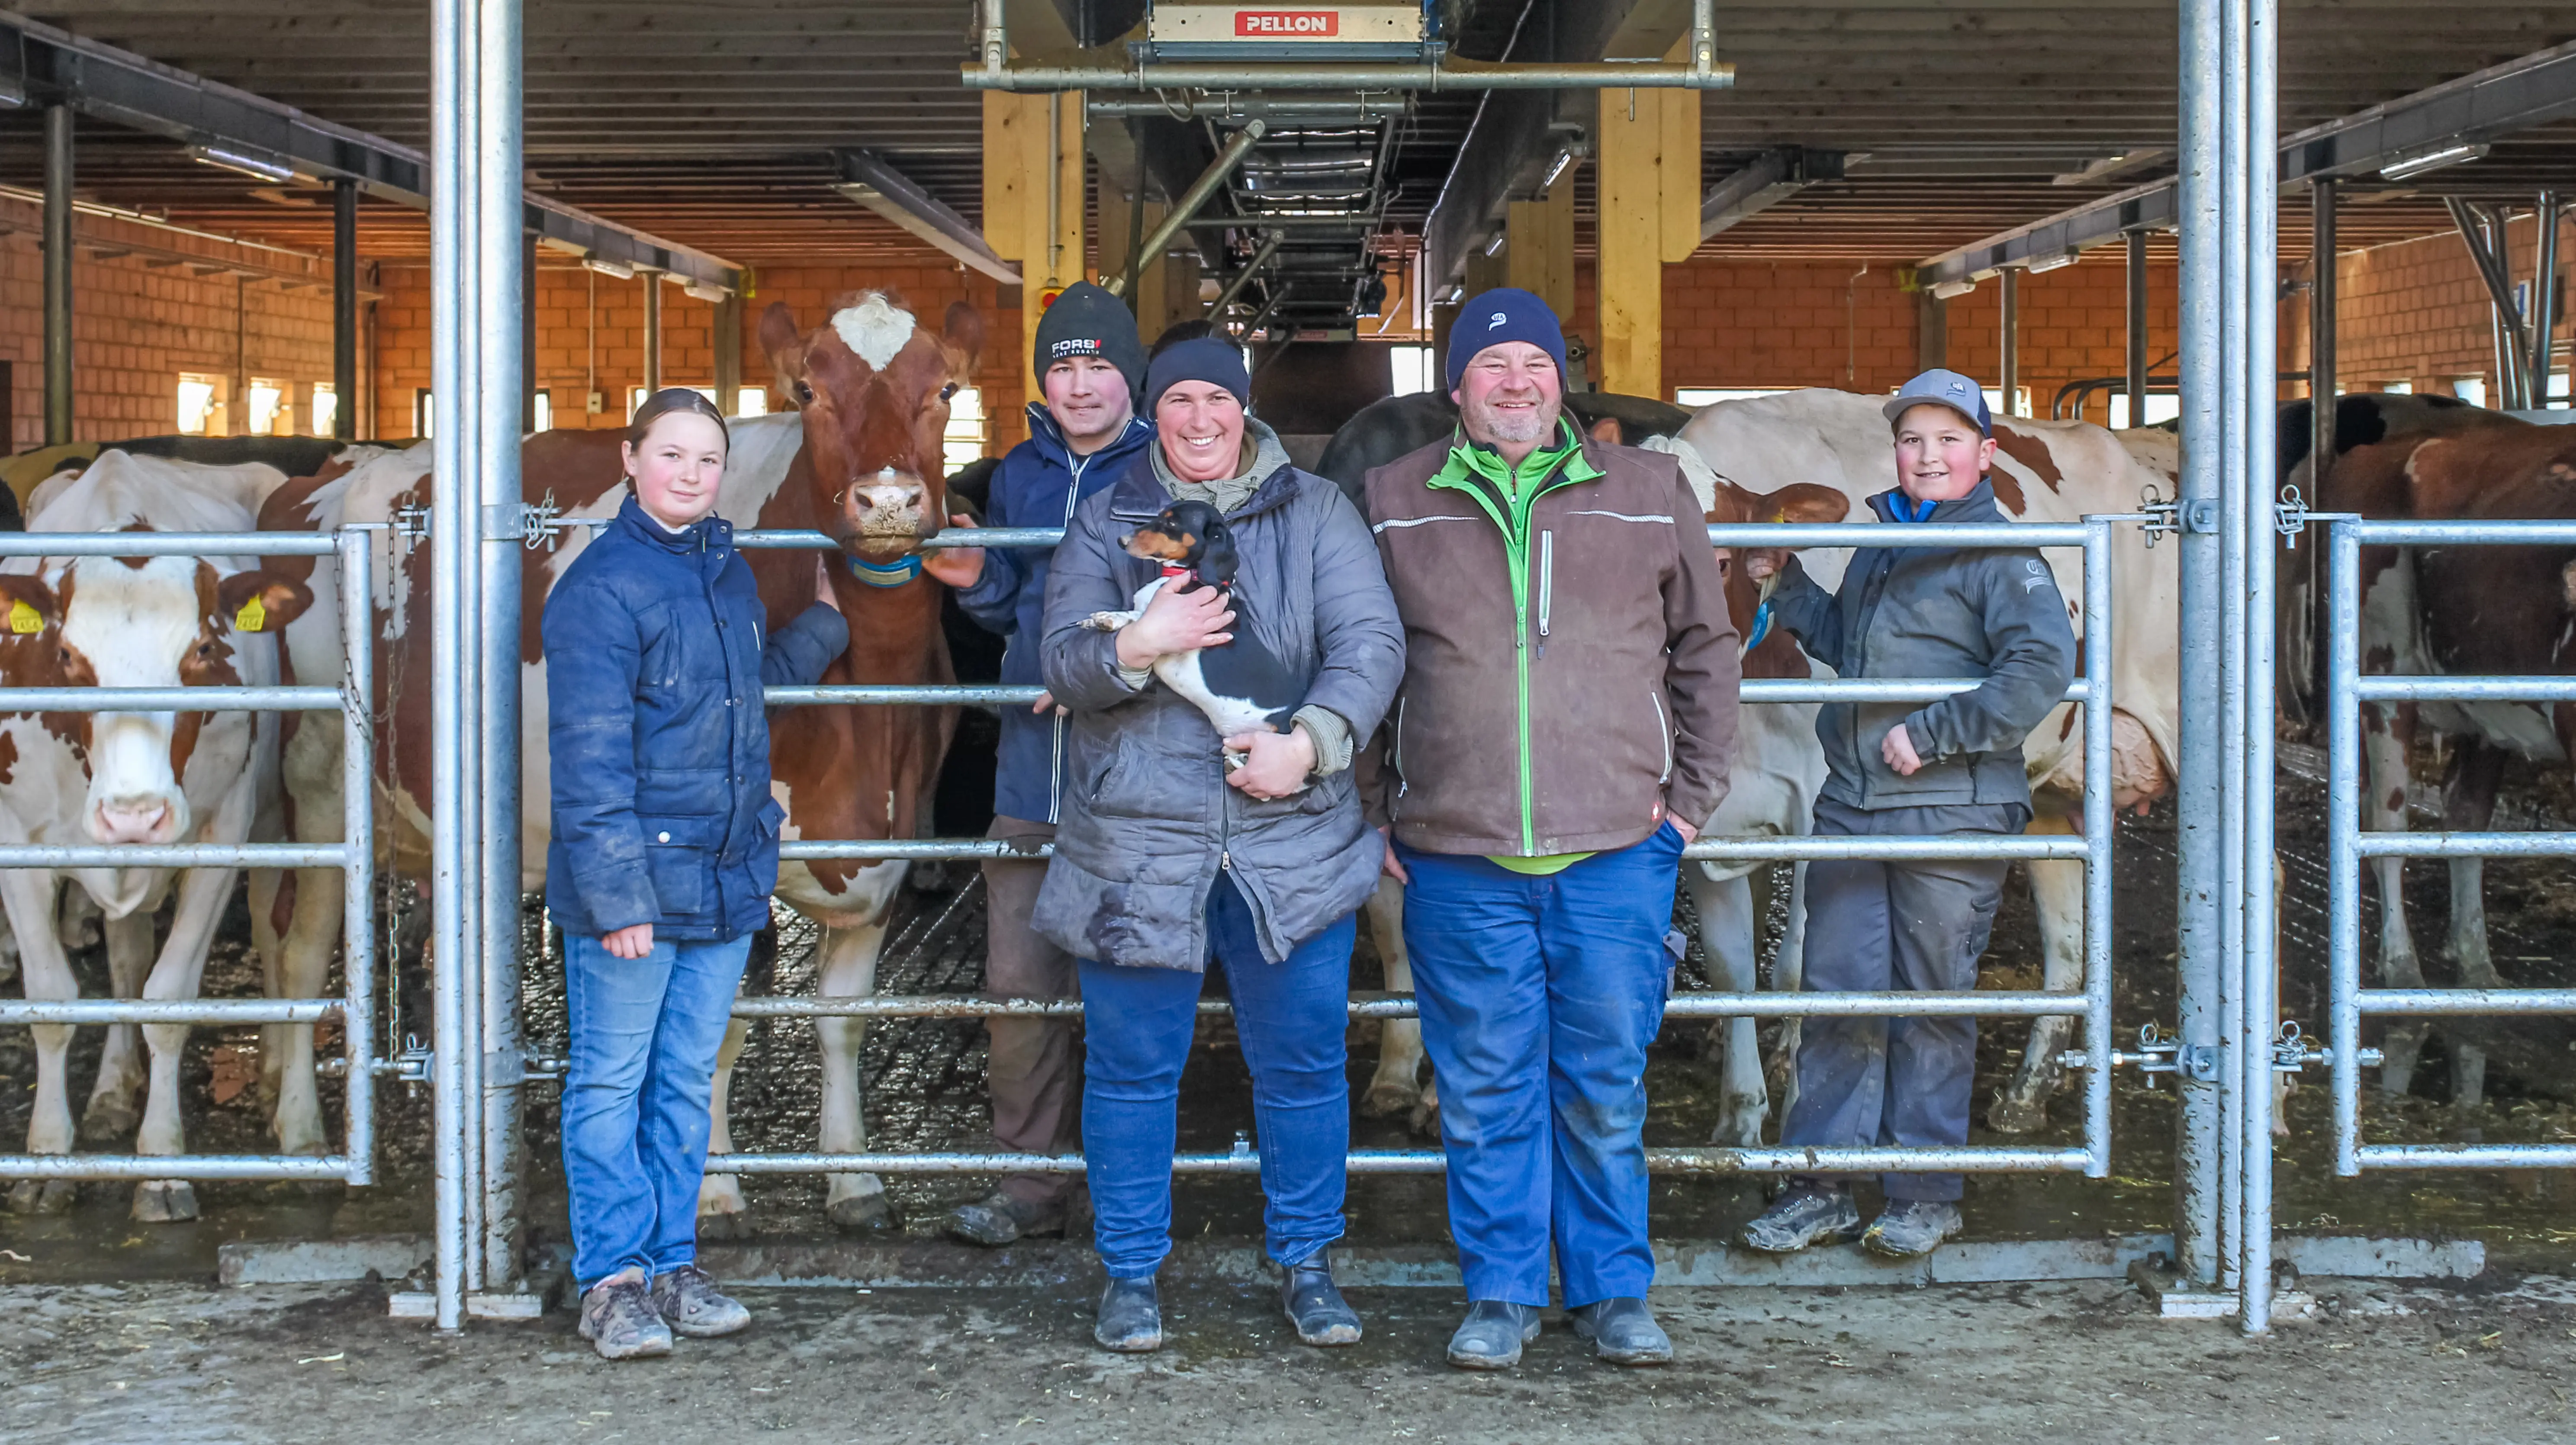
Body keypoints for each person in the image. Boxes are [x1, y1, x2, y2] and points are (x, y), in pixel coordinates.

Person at [1360, 288, 1740, 1370]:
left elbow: (1707, 648)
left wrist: (1692, 799)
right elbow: (1361, 657)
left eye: (1533, 363)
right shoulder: (1394, 497)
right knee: (1484, 1088)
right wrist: (1371, 805)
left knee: (1605, 1084)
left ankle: (1614, 1289)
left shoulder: (1648, 489)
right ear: (1457, 387)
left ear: (1559, 381)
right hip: (1457, 851)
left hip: (1617, 848)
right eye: (1493, 365)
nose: (1516, 383)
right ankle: (1502, 1290)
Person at [1035, 337, 1403, 1354]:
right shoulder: (1111, 517)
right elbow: (1061, 661)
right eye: (1179, 400)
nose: (1200, 419)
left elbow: (1371, 644)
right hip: (1137, 844)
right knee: (1131, 1067)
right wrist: (1135, 645)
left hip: (1293, 838)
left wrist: (1312, 743)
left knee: (1303, 1064)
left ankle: (1307, 1260)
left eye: (1217, 399)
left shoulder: (1316, 510)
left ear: (1245, 407)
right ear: (1153, 411)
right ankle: (1130, 1272)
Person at [1736, 368, 2078, 1261]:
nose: (1928, 455)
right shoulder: (1883, 543)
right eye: (1913, 440)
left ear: (1985, 455)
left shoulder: (2003, 557)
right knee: (1838, 997)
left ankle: (1924, 1192)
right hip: (1856, 805)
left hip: (1951, 813)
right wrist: (1788, 586)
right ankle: (1821, 1184)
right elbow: (1851, 649)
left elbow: (2044, 665)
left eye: (1949, 440)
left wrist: (1933, 732)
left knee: (1929, 1004)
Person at [544, 388, 850, 1361]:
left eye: (707, 459)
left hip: (721, 879)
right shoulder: (599, 588)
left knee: (682, 1082)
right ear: (630, 460)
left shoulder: (726, 573)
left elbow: (741, 693)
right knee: (610, 1081)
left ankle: (673, 1264)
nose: (690, 473)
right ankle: (612, 1280)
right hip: (636, 889)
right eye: (670, 454)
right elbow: (587, 759)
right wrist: (616, 897)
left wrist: (825, 628)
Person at [932, 282, 1155, 1247]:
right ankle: (1030, 1187)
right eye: (1063, 367)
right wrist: (978, 578)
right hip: (1030, 776)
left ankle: (1128, 1192)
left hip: (1135, 783)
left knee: (1130, 997)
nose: (1081, 384)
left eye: (1099, 365)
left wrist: (1095, 671)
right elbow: (1013, 609)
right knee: (1020, 994)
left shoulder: (1166, 468)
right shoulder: (1018, 474)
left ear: (1131, 375)